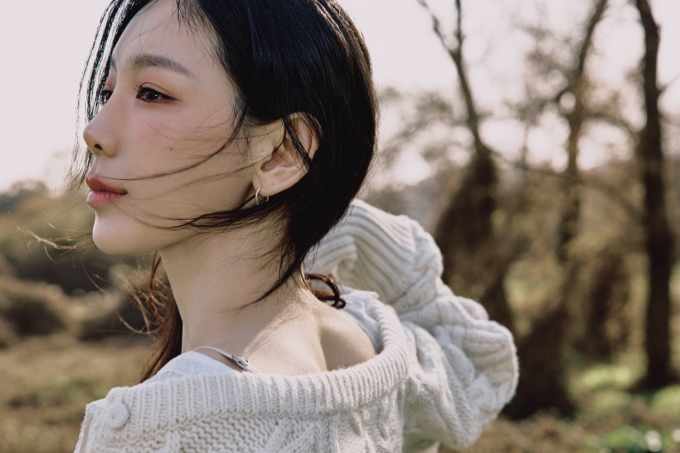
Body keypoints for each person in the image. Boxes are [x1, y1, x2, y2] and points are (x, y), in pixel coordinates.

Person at [72, 0, 518, 452]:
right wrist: (316, 215)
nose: (94, 131)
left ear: (281, 153)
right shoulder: (378, 350)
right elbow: (475, 356)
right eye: (108, 93)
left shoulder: (171, 429)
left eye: (151, 93)